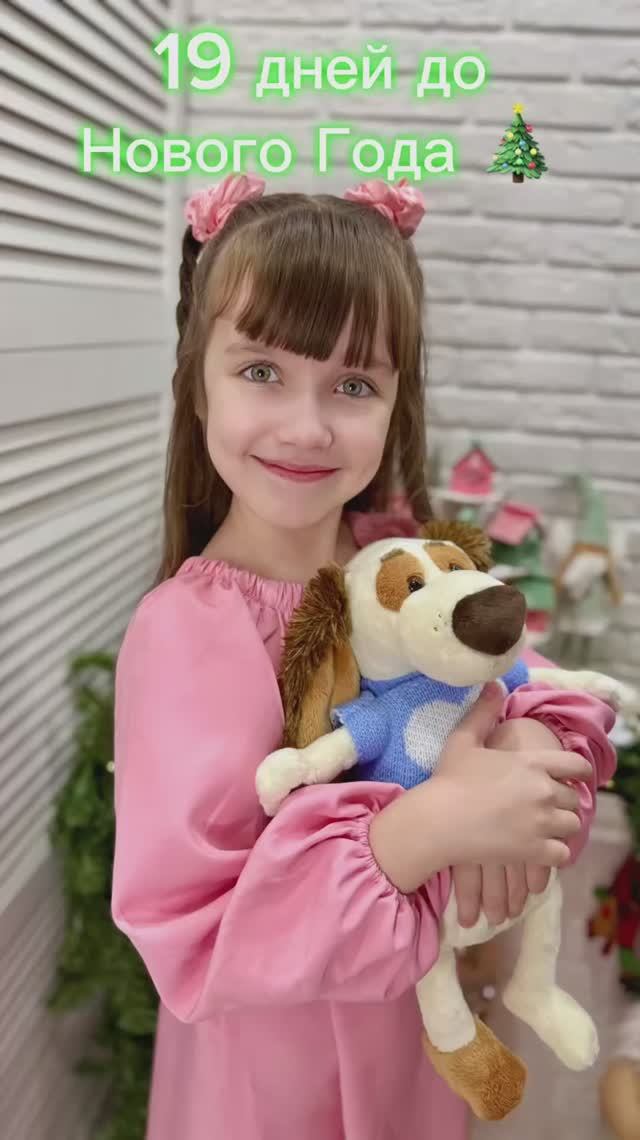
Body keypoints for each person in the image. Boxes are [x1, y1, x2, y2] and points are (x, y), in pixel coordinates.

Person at [111, 173, 616, 1140]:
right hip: (266, 1087)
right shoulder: (186, 633)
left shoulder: (401, 570)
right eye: (262, 370)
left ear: (395, 402)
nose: (308, 427)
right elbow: (197, 934)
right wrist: (434, 825)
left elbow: (549, 702)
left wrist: (526, 768)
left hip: (411, 1058)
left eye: (353, 385)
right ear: (198, 380)